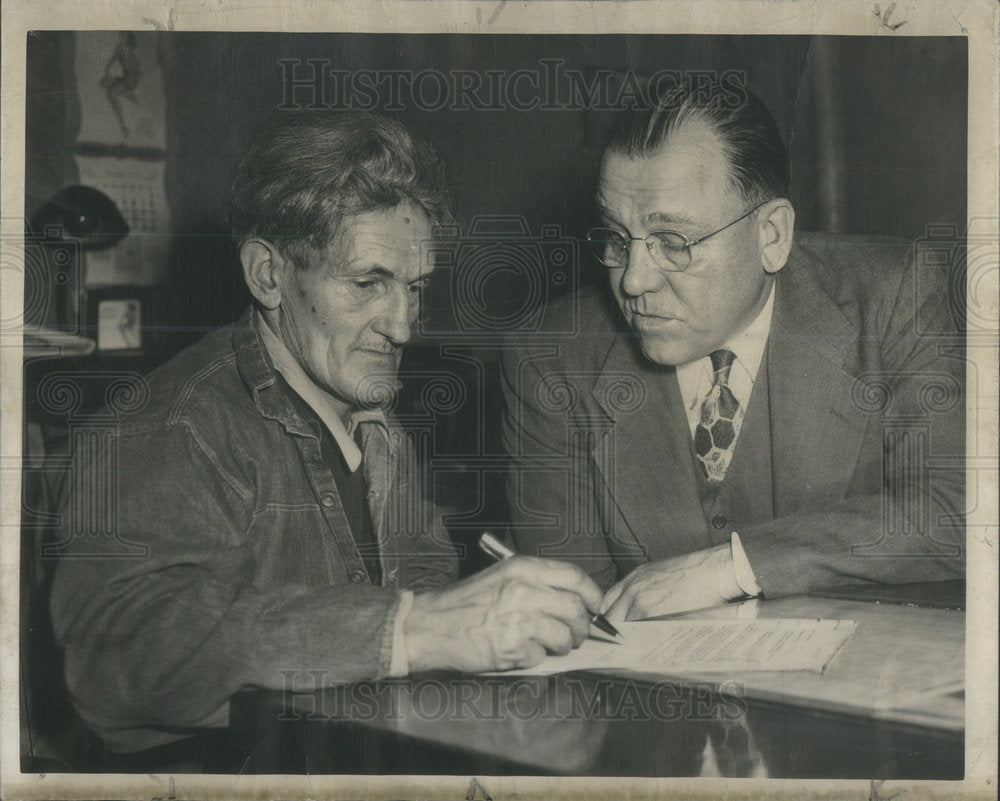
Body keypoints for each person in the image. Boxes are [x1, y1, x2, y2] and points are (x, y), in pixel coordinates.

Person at [49, 111, 603, 754]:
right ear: (268, 274)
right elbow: (113, 661)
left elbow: (422, 594)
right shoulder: (174, 427)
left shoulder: (371, 421)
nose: (402, 326)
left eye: (415, 288)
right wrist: (411, 627)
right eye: (367, 283)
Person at [502, 83, 964, 622]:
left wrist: (733, 567)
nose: (632, 280)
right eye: (616, 237)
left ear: (770, 235)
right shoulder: (549, 356)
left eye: (673, 242)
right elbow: (573, 610)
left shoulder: (893, 295)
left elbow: (962, 509)